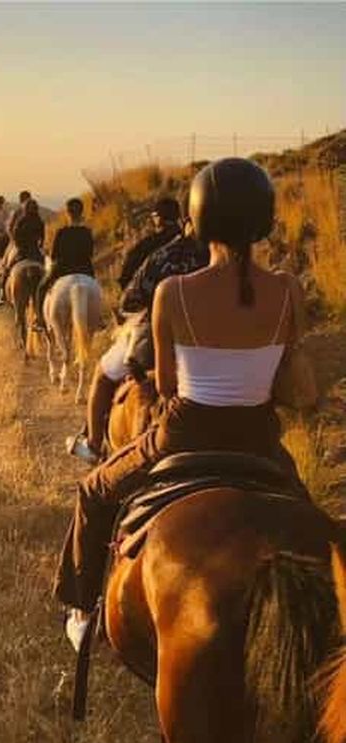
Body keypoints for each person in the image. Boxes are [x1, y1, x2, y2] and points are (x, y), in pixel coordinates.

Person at [53, 157, 310, 650]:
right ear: (264, 222)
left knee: (95, 491)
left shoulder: (173, 292)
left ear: (200, 218)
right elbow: (293, 385)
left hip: (186, 430)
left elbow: (169, 387)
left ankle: (84, 614)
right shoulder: (289, 290)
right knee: (306, 516)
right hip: (260, 437)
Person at [67, 217, 210, 462]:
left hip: (155, 336)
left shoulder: (166, 255)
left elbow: (130, 299)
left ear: (187, 220)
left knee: (102, 374)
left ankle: (93, 444)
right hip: (210, 341)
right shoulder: (231, 258)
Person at [32, 197, 94, 331]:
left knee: (41, 288)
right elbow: (90, 253)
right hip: (85, 269)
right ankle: (99, 320)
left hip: (63, 270)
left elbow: (54, 255)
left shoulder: (61, 232)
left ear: (67, 213)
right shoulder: (87, 232)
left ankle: (40, 320)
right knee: (96, 288)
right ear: (81, 212)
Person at [117, 196, 182, 292]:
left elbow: (126, 281)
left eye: (154, 217)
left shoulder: (145, 247)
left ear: (158, 219)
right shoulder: (192, 240)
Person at [0, 197, 44, 306]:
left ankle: (2, 294)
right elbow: (42, 239)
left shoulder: (21, 222)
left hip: (21, 252)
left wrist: (19, 245)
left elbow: (15, 237)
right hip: (36, 253)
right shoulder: (39, 221)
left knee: (6, 270)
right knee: (46, 272)